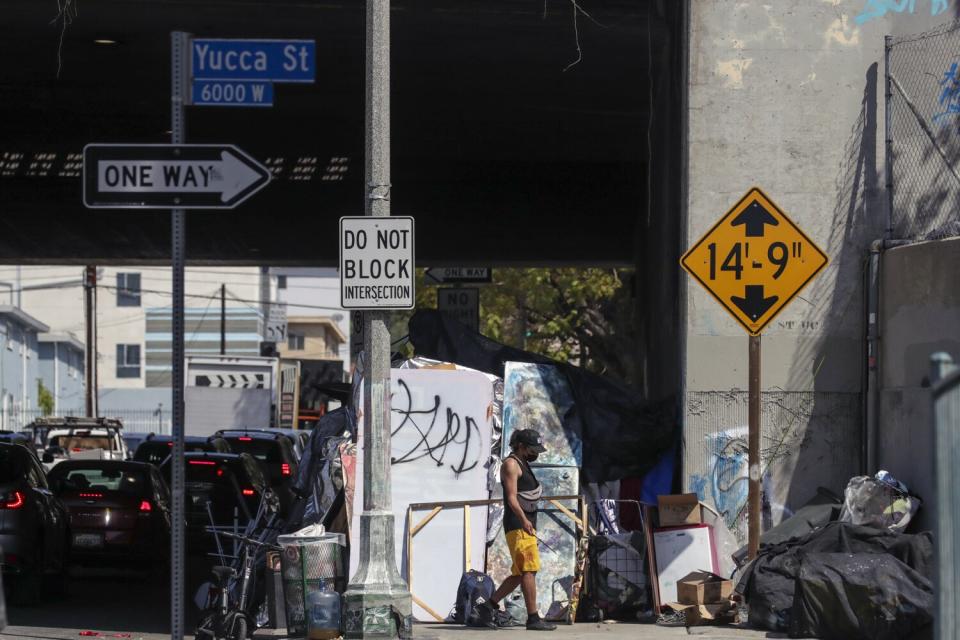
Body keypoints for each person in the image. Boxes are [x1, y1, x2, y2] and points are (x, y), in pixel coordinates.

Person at [478, 429, 556, 631]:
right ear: (521, 446)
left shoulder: (523, 464)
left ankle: (489, 606)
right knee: (529, 570)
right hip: (518, 525)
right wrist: (524, 520)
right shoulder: (511, 464)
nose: (535, 453)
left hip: (525, 525)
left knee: (521, 573)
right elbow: (512, 497)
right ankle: (533, 618)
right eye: (532, 449)